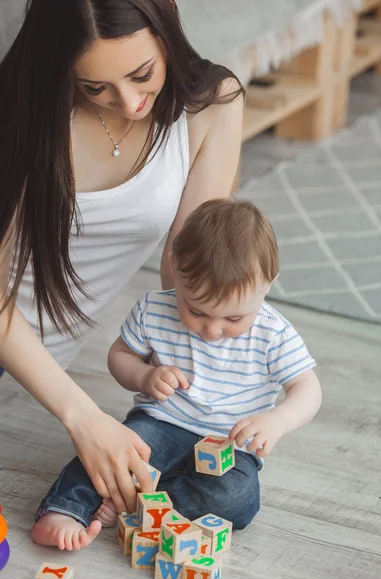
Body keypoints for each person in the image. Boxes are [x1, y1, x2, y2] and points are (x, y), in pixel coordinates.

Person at [0, 0, 244, 518]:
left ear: (165, 33)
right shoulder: (22, 113)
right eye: (95, 88)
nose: (130, 101)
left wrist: (207, 384)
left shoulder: (211, 106)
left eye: (142, 75)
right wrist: (83, 417)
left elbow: (186, 271)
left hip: (38, 369)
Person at [31, 198, 322, 550]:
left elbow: (308, 389)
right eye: (196, 310)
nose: (213, 330)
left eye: (233, 319)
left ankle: (139, 502)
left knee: (238, 497)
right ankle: (67, 509)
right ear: (175, 266)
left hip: (230, 444)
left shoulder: (273, 333)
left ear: (268, 284)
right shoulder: (154, 309)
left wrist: (277, 421)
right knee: (115, 451)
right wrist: (143, 376)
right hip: (162, 423)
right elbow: (119, 356)